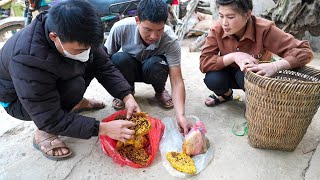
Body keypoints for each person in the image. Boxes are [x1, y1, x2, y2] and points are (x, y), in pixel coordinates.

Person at [0, 0, 140, 160]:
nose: (86, 52)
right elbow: (49, 117)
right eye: (81, 49)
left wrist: (126, 96)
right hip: (17, 101)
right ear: (54, 37)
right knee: (73, 87)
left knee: (90, 63)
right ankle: (44, 132)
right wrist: (103, 129)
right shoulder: (27, 59)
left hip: (48, 78)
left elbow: (104, 66)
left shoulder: (77, 31)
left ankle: (75, 104)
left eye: (89, 47)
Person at [200, 0, 314, 107]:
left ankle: (254, 102)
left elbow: (304, 51)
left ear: (247, 14)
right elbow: (204, 62)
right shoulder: (217, 29)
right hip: (227, 71)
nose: (224, 23)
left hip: (252, 74)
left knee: (246, 75)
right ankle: (226, 94)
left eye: (230, 17)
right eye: (221, 16)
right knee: (213, 79)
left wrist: (275, 66)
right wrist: (234, 56)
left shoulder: (264, 29)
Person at [105, 0, 192, 134]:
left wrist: (181, 115)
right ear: (137, 20)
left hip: (152, 69)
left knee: (156, 65)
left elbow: (176, 80)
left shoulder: (170, 40)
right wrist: (122, 92)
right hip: (129, 68)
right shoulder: (119, 28)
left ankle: (159, 90)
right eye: (148, 29)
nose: (153, 36)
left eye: (159, 30)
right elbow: (105, 64)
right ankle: (127, 92)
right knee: (118, 59)